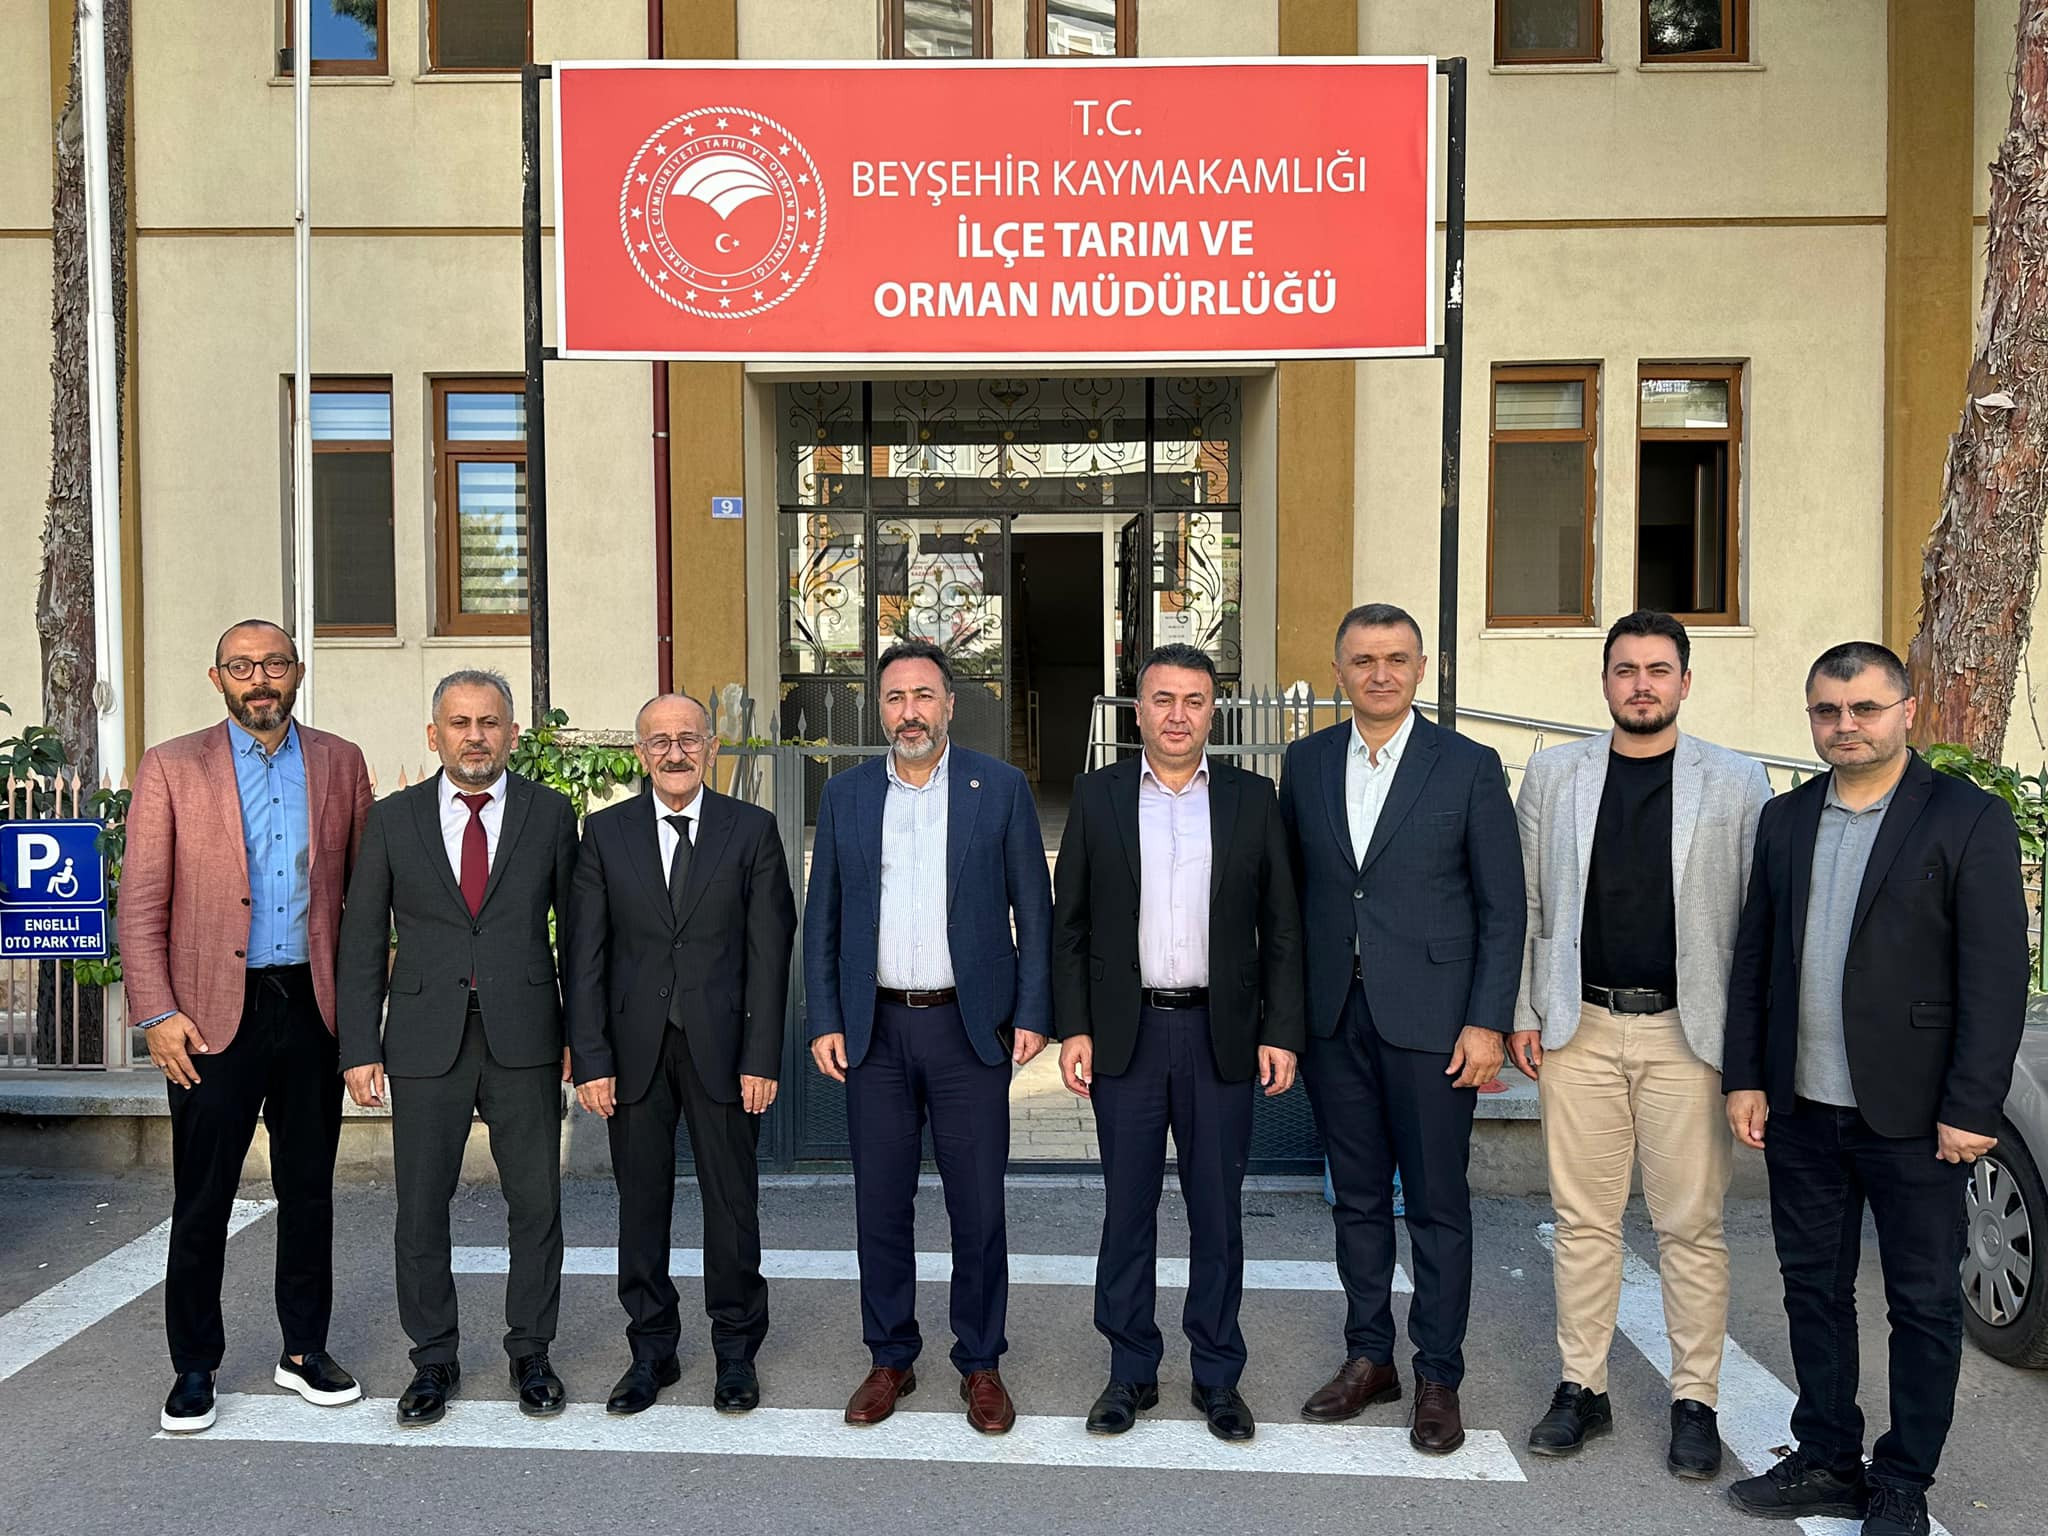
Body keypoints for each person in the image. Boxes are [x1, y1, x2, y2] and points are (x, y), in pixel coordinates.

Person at [1722, 642, 2027, 1536]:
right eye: (1828, 710)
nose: (1845, 725)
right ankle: (1826, 1459)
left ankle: (1902, 1482)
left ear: (1906, 711)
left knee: (1922, 1304)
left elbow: (1996, 976)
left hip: (1918, 1117)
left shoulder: (1968, 817)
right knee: (1812, 1291)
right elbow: (1755, 959)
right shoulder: (1785, 819)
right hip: (1801, 1108)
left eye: (1863, 708)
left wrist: (1971, 1106)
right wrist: (1747, 1077)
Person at [1509, 610, 1770, 1476]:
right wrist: (1523, 1011)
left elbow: (1757, 923)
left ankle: (1696, 1400)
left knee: (1690, 1227)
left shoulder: (1736, 780)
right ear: (1605, 680)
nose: (1642, 685)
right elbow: (1527, 904)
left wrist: (1748, 1050)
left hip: (1687, 1036)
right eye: (1626, 670)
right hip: (1578, 1028)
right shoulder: (1555, 775)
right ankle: (1582, 1387)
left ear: (1685, 682)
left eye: (1659, 670)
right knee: (1583, 1221)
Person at [1277, 602, 1525, 1454]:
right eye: (1363, 659)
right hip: (1333, 1020)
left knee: (1436, 1205)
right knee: (1354, 1199)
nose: (1379, 673)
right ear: (1338, 671)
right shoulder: (1305, 763)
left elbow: (1503, 907)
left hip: (1433, 1024)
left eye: (1396, 659)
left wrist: (1487, 1022)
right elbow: (1293, 899)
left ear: (1422, 668)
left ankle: (1439, 1376)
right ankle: (1369, 1357)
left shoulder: (1468, 766)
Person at [120, 618, 374, 1433]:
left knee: (308, 1190)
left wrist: (363, 1018)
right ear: (217, 678)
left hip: (311, 1006)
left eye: (273, 663)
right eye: (241, 666)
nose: (259, 678)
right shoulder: (171, 766)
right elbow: (141, 902)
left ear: (296, 672)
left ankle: (304, 1350)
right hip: (204, 1017)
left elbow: (364, 899)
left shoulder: (340, 761)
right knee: (203, 1198)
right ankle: (194, 1365)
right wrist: (157, 1012)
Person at [1052, 643, 1304, 1442]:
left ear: (1212, 711)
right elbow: (1069, 926)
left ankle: (1217, 1375)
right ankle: (1129, 1371)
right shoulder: (1096, 797)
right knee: (1127, 1211)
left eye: (1194, 700)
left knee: (1216, 1213)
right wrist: (1075, 1027)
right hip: (1125, 1036)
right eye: (1162, 699)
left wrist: (1281, 1031)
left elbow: (1283, 929)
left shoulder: (1252, 799)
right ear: (1138, 712)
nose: (1177, 715)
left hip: (1219, 1034)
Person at [804, 638, 1052, 1434]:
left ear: (949, 704)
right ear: (879, 710)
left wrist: (1034, 1012)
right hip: (875, 1030)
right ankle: (891, 1356)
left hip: (967, 1030)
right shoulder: (845, 796)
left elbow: (1034, 911)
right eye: (894, 697)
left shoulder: (999, 788)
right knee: (881, 1204)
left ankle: (980, 1362)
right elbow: (823, 918)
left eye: (922, 696)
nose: (908, 712)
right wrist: (825, 1019)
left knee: (977, 1206)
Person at [336, 670, 579, 1427]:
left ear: (512, 734)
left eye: (490, 722)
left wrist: (582, 1037)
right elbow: (362, 938)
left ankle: (531, 1353)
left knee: (535, 1204)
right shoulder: (392, 819)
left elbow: (579, 937)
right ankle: (433, 1358)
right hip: (421, 1039)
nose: (476, 736)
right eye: (460, 723)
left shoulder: (549, 813)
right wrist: (359, 1046)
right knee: (420, 1210)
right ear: (433, 734)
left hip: (526, 1037)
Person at [564, 693, 796, 1416]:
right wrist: (591, 1059)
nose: (674, 752)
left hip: (725, 1051)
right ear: (640, 753)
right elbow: (584, 956)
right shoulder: (605, 833)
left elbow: (770, 954)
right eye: (659, 741)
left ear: (712, 748)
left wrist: (762, 1056)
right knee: (641, 1207)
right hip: (633, 1052)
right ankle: (651, 1352)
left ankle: (736, 1352)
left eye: (688, 738)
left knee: (732, 1206)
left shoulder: (751, 830)